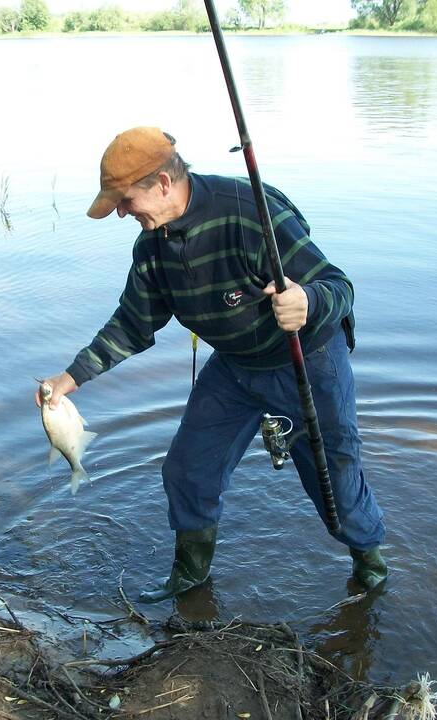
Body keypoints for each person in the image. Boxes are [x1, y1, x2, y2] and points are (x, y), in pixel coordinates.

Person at [35, 126, 387, 603]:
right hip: (235, 367)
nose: (121, 212)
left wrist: (307, 300)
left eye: (125, 200)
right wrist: (71, 377)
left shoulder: (250, 213)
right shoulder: (153, 247)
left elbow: (338, 286)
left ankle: (369, 561)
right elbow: (133, 325)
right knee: (186, 468)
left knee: (334, 476)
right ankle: (191, 573)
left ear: (162, 182)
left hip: (307, 361)